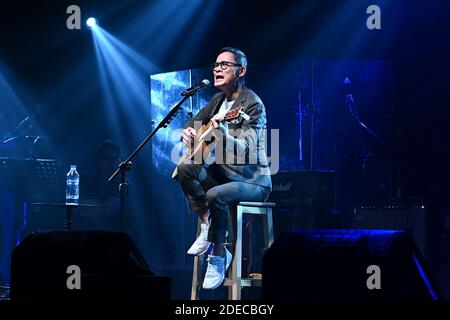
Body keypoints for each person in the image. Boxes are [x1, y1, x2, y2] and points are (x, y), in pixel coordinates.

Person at [175, 47, 271, 290]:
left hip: (252, 181)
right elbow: (195, 120)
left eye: (225, 65)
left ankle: (219, 255)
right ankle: (207, 224)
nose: (217, 68)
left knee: (215, 194)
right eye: (216, 64)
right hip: (225, 175)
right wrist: (189, 131)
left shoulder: (252, 105)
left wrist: (224, 133)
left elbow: (246, 149)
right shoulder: (217, 100)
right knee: (185, 168)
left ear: (241, 71)